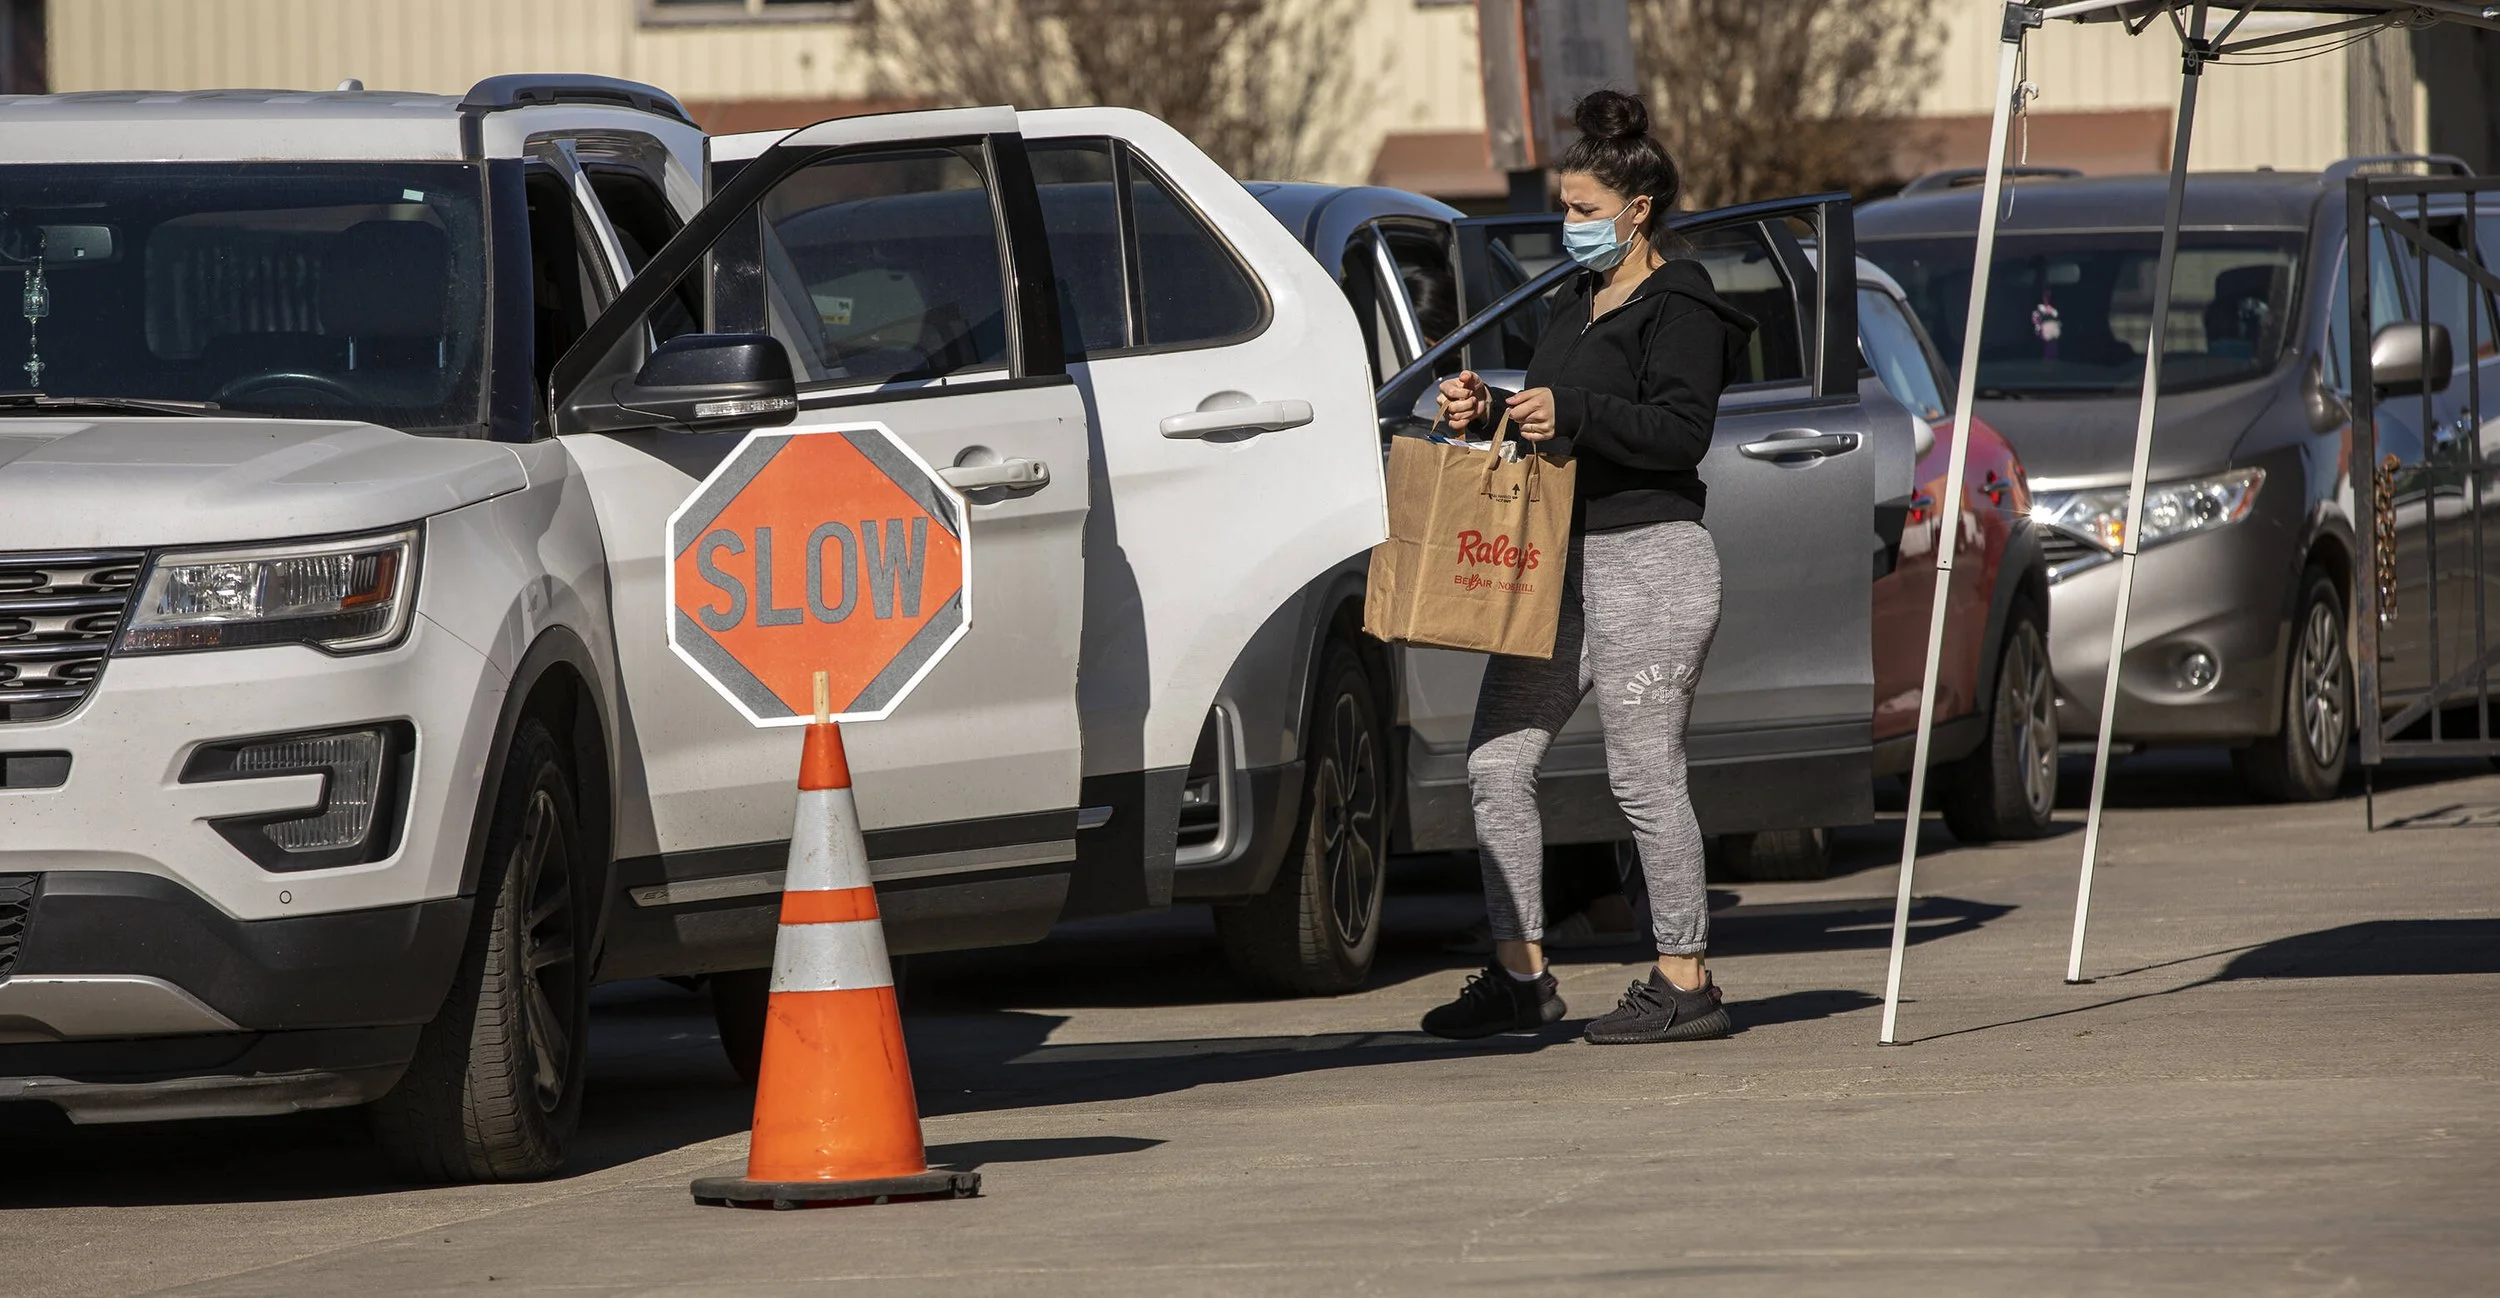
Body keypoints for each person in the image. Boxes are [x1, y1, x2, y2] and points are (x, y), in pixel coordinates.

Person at [1419, 88, 1753, 1045]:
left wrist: (1571, 411)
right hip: (1556, 566)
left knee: (1644, 776)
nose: (1567, 224)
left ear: (1635, 212)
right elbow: (1558, 415)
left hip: (1649, 561)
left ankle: (1687, 980)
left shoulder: (1681, 304)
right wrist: (1489, 407)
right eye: (1564, 207)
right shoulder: (1576, 303)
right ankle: (1521, 975)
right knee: (1496, 763)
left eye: (1582, 209)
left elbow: (1679, 431)